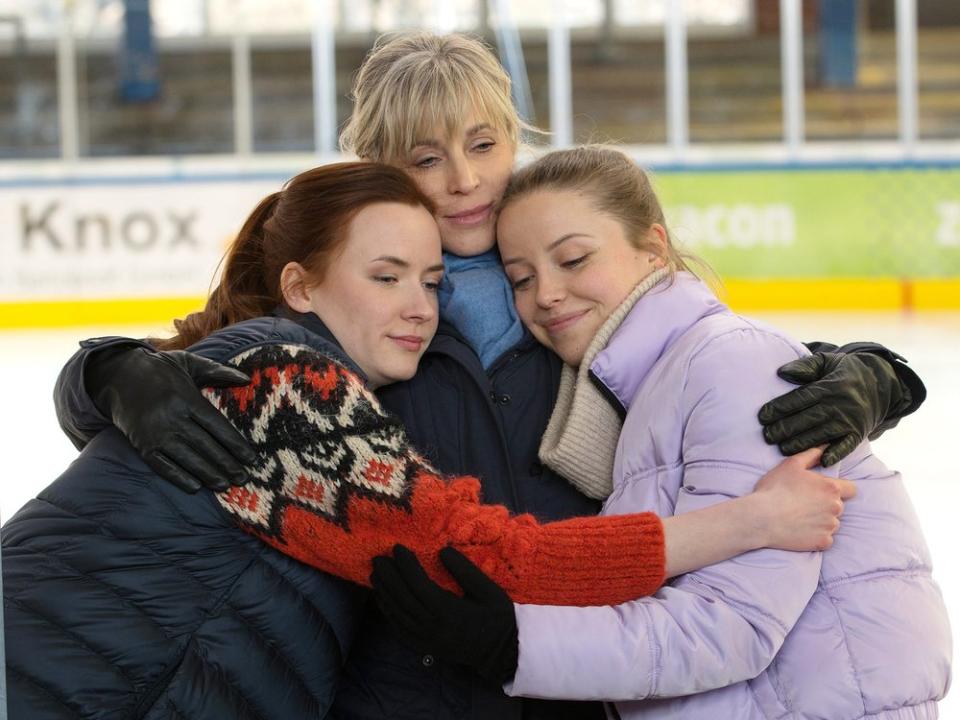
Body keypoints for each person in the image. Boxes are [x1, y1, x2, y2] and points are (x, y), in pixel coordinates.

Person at [47, 32, 926, 720]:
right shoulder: (358, 309)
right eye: (426, 160)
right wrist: (108, 373)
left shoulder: (575, 299)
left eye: (484, 144)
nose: (465, 181)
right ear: (383, 168)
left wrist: (876, 374)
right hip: (400, 694)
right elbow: (217, 366)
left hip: (586, 686)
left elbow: (711, 359)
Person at [372, 146, 952, 719]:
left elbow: (732, 626)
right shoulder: (625, 400)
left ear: (653, 248)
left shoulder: (725, 366)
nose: (545, 294)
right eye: (521, 280)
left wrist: (512, 643)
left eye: (573, 260)